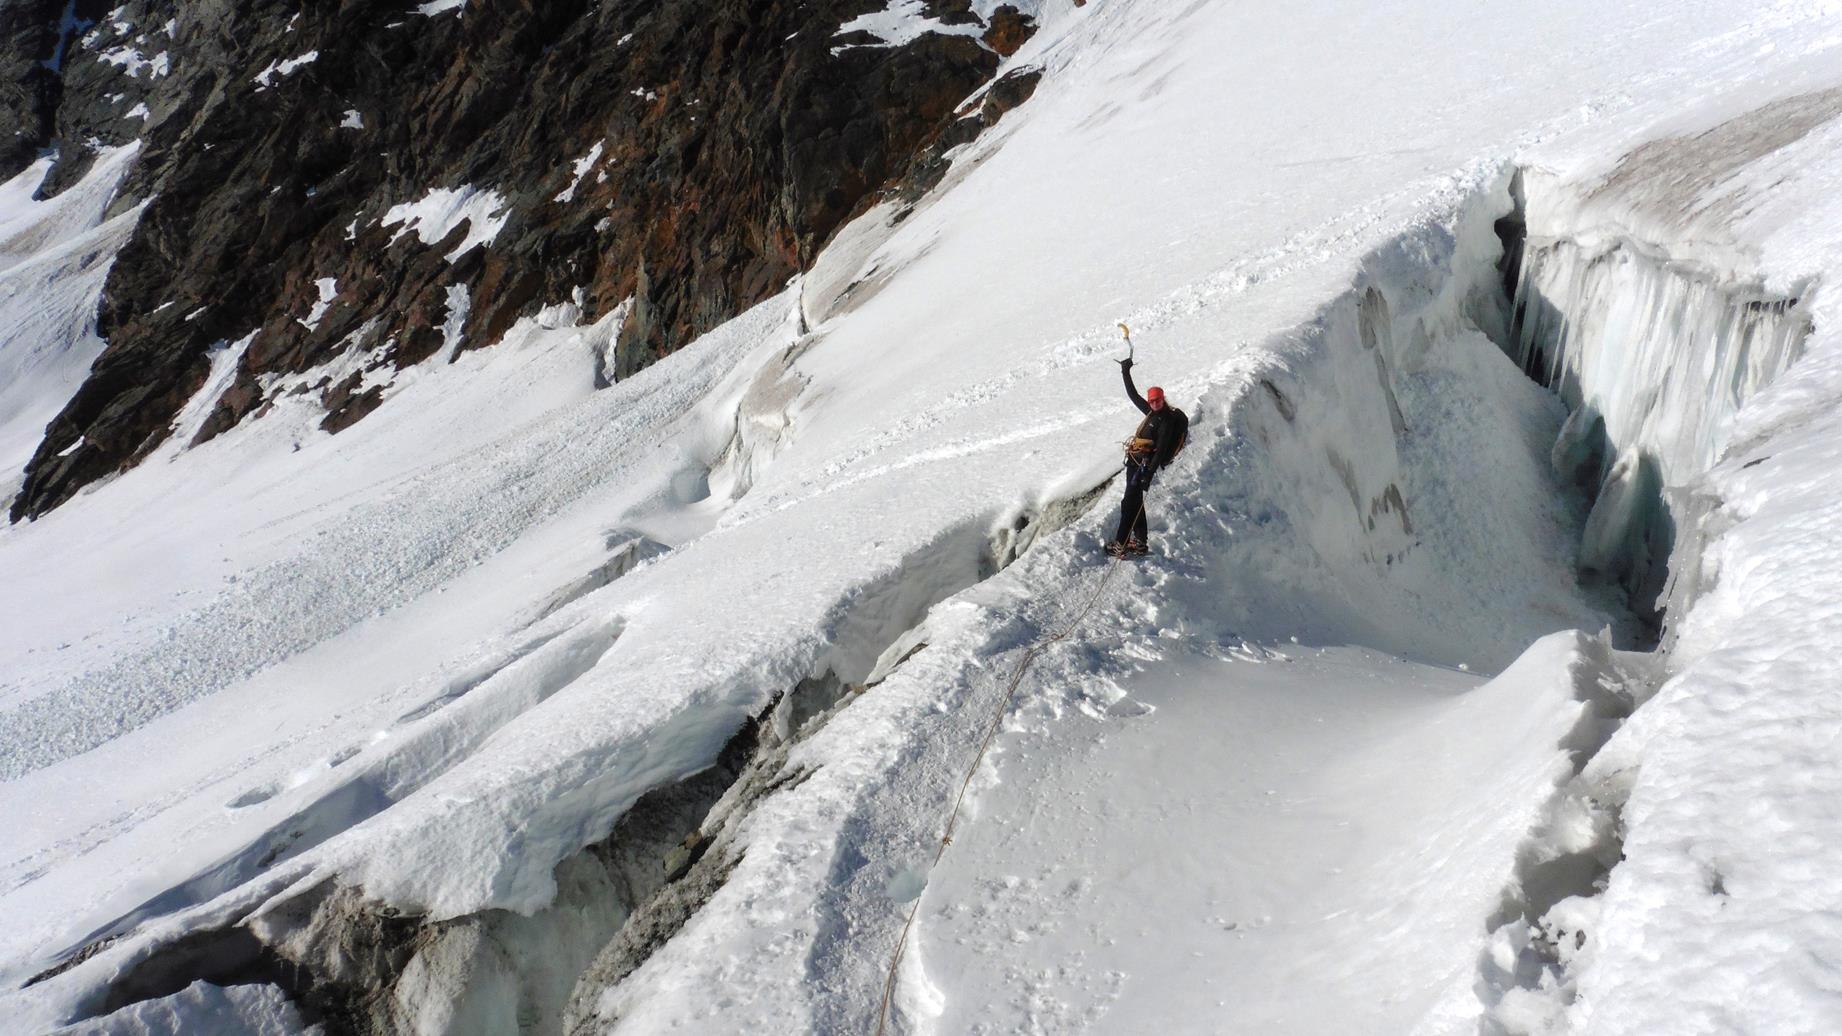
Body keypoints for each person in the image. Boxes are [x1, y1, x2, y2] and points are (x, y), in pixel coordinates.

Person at [1109, 357, 1186, 557]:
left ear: (1163, 398)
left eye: (1157, 400)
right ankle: (1140, 542)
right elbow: (1133, 396)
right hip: (1136, 463)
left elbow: (1160, 450)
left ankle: (1120, 544)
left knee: (1129, 504)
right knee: (1134, 502)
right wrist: (1126, 372)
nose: (1153, 403)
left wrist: (1148, 474)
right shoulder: (1153, 413)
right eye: (1151, 401)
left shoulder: (1165, 421)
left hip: (1142, 467)